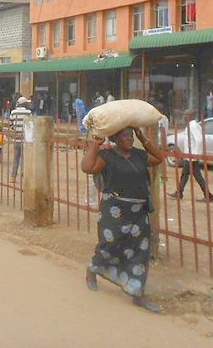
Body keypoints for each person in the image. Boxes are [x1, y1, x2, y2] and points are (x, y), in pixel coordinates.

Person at [81, 126, 164, 313]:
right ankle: (93, 269)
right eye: (126, 136)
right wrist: (95, 144)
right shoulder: (107, 156)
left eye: (131, 136)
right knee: (109, 246)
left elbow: (159, 158)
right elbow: (87, 167)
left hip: (138, 212)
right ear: (115, 139)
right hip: (115, 212)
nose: (130, 139)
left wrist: (143, 138)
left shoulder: (139, 155)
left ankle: (137, 292)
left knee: (140, 252)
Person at [168, 110, 213, 203]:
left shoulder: (192, 126)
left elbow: (199, 139)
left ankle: (208, 196)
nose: (184, 116)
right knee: (186, 175)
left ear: (192, 115)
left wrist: (195, 154)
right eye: (184, 114)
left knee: (195, 176)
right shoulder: (191, 125)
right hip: (189, 156)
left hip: (191, 156)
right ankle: (179, 192)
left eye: (186, 114)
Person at [9, 97, 32, 184]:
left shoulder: (13, 112)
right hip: (25, 139)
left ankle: (13, 177)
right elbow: (30, 124)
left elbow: (10, 125)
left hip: (16, 138)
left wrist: (16, 129)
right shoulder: (28, 112)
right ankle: (24, 176)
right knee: (24, 159)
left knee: (16, 159)